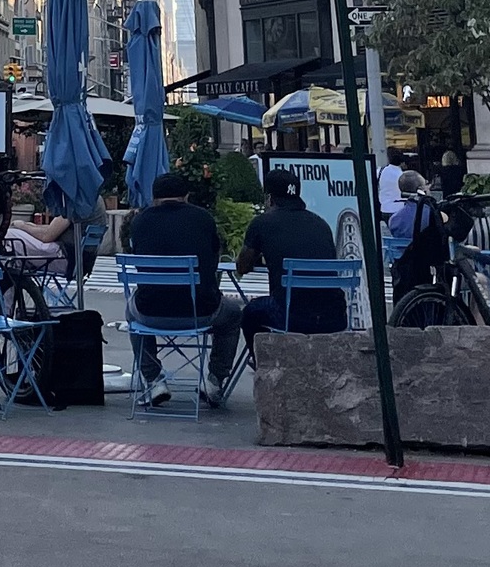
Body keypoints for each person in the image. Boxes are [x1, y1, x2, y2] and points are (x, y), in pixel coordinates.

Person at [122, 174, 243, 406]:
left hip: (150, 313)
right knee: (234, 314)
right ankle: (215, 380)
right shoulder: (203, 219)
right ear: (186, 196)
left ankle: (153, 379)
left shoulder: (140, 222)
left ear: (154, 198)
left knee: (131, 311)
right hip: (200, 311)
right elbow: (213, 261)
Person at [232, 168, 345, 342]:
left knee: (250, 313)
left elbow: (242, 267)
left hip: (289, 315)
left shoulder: (262, 223)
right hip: (334, 316)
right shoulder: (320, 223)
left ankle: (263, 362)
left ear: (270, 198)